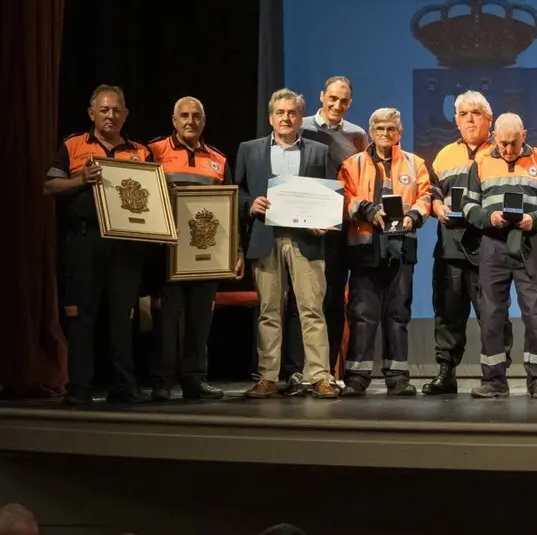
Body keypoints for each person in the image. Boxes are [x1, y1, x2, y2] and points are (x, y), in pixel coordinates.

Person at [45, 85, 152, 405]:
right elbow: (49, 186)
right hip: (84, 241)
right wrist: (80, 180)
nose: (111, 115)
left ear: (126, 114)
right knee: (82, 316)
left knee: (123, 316)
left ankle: (124, 386)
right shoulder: (73, 145)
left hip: (126, 244)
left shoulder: (140, 151)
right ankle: (80, 388)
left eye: (117, 110)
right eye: (104, 110)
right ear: (92, 113)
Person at [236, 88, 339, 399]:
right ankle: (267, 376)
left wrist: (326, 222)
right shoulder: (249, 150)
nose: (286, 118)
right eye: (280, 113)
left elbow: (332, 195)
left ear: (299, 118)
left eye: (292, 113)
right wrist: (250, 205)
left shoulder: (318, 151)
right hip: (266, 239)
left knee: (312, 310)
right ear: (271, 117)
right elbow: (237, 192)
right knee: (269, 311)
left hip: (306, 241)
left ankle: (320, 376)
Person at [147, 96, 239, 401]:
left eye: (196, 116)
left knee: (201, 320)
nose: (190, 121)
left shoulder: (219, 159)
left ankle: (194, 380)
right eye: (184, 116)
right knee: (169, 320)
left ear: (204, 120)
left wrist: (234, 251)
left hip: (206, 255)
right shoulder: (155, 151)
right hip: (169, 251)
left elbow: (231, 211)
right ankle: (163, 381)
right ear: (174, 121)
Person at [463, 113, 537, 398]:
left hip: (530, 245)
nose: (507, 149)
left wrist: (535, 219)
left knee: (534, 313)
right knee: (492, 314)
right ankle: (493, 380)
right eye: (503, 143)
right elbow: (468, 205)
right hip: (492, 245)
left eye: (513, 143)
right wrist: (487, 217)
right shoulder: (481, 162)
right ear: (494, 136)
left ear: (524, 135)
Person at [337, 108, 431, 397]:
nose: (385, 134)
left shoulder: (415, 163)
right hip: (366, 247)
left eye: (391, 129)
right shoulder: (353, 164)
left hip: (401, 246)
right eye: (379, 128)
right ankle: (357, 377)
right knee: (363, 313)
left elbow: (426, 196)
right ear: (371, 131)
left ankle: (398, 377)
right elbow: (344, 197)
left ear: (399, 132)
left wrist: (413, 217)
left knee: (398, 313)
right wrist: (366, 210)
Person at [421, 91, 508, 395]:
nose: (470, 119)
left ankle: (495, 377)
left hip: (490, 246)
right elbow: (429, 192)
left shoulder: (502, 151)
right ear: (456, 120)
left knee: (493, 314)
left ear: (489, 118)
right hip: (451, 246)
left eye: (476, 113)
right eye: (463, 114)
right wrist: (436, 206)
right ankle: (446, 372)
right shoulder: (444, 155)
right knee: (448, 311)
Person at [291, 75, 369, 388]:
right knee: (301, 302)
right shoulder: (301, 126)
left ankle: (328, 373)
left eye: (344, 101)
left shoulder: (357, 135)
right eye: (332, 98)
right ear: (321, 96)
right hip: (303, 228)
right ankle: (297, 370)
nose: (337, 105)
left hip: (338, 231)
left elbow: (360, 180)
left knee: (334, 300)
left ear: (350, 103)